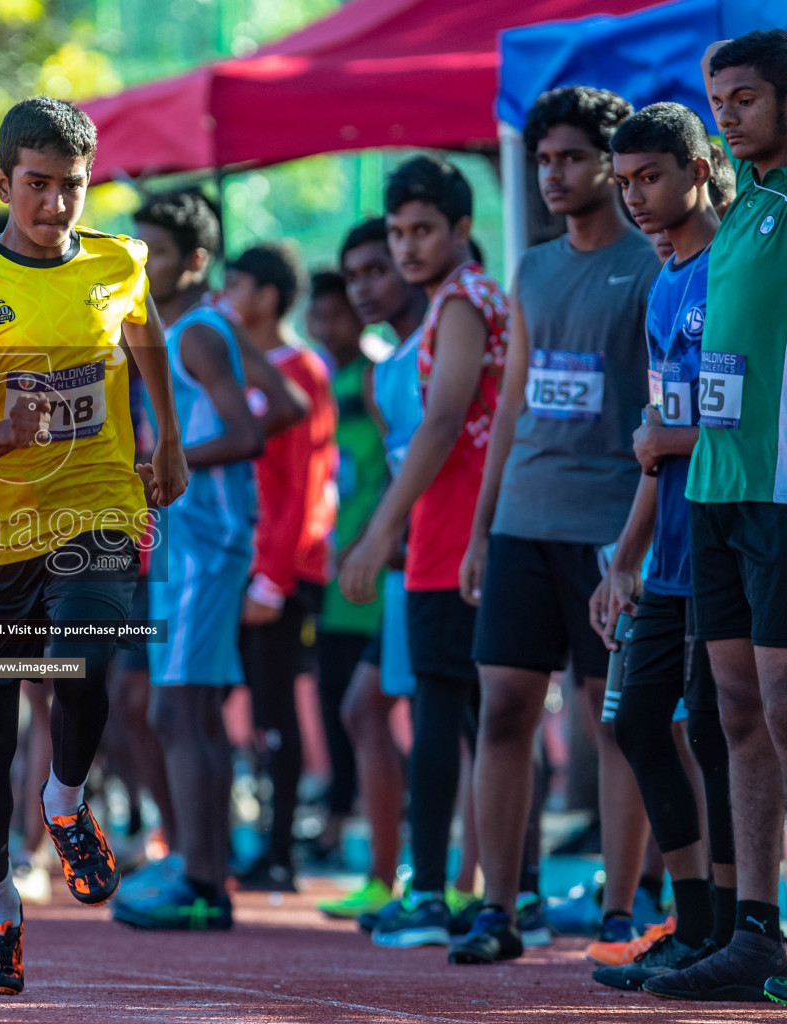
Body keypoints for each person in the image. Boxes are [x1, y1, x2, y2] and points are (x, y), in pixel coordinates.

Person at [0, 96, 186, 995]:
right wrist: (9, 433)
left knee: (85, 660)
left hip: (98, 508)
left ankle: (67, 804)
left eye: (71, 187)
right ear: (4, 182)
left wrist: (169, 436)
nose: (55, 205)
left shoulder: (119, 262)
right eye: (37, 186)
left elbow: (144, 332)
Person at [449, 87, 659, 964]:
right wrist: (480, 527)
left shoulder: (651, 268)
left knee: (608, 715)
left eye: (571, 158)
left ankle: (619, 911)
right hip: (523, 521)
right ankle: (500, 907)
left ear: (610, 166)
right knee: (502, 706)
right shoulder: (531, 268)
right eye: (542, 161)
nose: (552, 176)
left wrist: (641, 546)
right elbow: (509, 411)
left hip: (609, 525)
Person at [645, 30, 787, 1005]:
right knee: (733, 709)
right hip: (714, 487)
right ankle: (756, 931)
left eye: (744, 98)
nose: (728, 115)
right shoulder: (739, 213)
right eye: (719, 100)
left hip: (786, 491)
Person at [337, 156, 508, 951]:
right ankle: (456, 888)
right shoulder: (447, 302)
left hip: (463, 536)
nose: (406, 247)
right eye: (398, 231)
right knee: (457, 712)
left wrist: (379, 530)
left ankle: (445, 892)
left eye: (421, 231)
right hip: (441, 537)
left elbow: (444, 424)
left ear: (462, 230)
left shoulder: (467, 299)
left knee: (458, 714)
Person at [587, 101, 734, 990]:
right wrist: (625, 555)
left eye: (652, 177)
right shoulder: (664, 281)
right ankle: (697, 918)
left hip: (729, 540)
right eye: (626, 182)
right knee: (639, 721)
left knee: (720, 733)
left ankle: (739, 924)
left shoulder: (734, 270)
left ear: (700, 169)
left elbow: (736, 417)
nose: (637, 197)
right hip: (668, 551)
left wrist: (667, 443)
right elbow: (659, 433)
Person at [108, 191, 261, 929]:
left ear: (196, 261)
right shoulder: (160, 328)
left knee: (180, 707)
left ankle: (205, 882)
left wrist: (162, 458)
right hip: (181, 540)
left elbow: (247, 432)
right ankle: (200, 869)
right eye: (133, 251)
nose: (141, 265)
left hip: (210, 541)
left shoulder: (198, 331)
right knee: (185, 710)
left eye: (156, 253)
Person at [319, 219, 427, 921]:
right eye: (352, 275)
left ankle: (480, 884)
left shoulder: (431, 351)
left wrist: (389, 535)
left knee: (475, 720)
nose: (363, 288)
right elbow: (397, 466)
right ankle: (388, 878)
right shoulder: (386, 369)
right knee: (364, 709)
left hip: (440, 560)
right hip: (395, 569)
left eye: (375, 272)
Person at [221, 241, 330, 893]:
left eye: (234, 285)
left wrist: (273, 578)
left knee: (276, 708)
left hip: (282, 572)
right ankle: (250, 841)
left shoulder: (302, 370)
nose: (224, 297)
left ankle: (280, 850)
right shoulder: (239, 370)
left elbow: (307, 484)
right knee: (245, 710)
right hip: (239, 564)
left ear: (266, 296)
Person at [303, 269, 380, 865]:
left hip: (375, 563)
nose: (327, 326)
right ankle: (336, 817)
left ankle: (379, 826)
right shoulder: (314, 381)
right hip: (326, 569)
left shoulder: (374, 378)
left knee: (369, 700)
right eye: (319, 315)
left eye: (338, 314)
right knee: (335, 698)